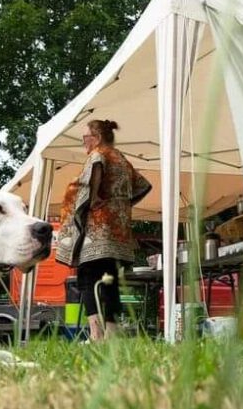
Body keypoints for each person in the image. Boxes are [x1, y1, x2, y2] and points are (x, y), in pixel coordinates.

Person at [56, 119, 151, 341]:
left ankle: (96, 334)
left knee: (88, 278)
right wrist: (122, 205)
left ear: (96, 137)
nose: (84, 144)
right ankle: (112, 334)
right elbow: (144, 186)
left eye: (84, 139)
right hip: (119, 232)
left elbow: (96, 165)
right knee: (111, 281)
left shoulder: (98, 154)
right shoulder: (122, 159)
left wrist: (95, 195)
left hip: (98, 231)